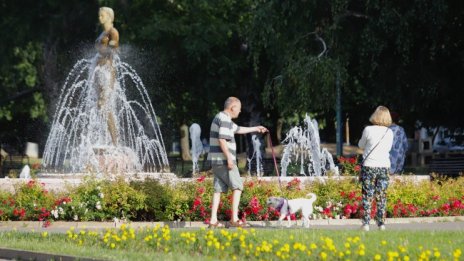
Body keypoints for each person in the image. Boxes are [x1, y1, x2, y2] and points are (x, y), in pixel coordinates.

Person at [208, 97, 268, 228]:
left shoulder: (223, 118)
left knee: (218, 190)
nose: (240, 112)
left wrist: (256, 128)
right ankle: (234, 219)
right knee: (238, 186)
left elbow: (239, 129)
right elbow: (222, 140)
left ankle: (213, 220)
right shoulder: (224, 119)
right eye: (239, 109)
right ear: (232, 107)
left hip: (216, 160)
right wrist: (229, 158)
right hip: (224, 160)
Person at [358, 106, 394, 231]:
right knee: (381, 195)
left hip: (369, 166)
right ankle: (381, 224)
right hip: (384, 166)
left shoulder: (368, 129)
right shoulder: (389, 132)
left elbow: (361, 145)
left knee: (367, 194)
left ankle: (366, 223)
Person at [95, 6, 119, 145]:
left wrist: (102, 49)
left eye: (102, 15)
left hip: (107, 71)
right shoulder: (102, 33)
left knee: (104, 104)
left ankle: (115, 142)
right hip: (99, 71)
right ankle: (106, 140)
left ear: (109, 17)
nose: (100, 18)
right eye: (99, 15)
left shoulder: (113, 31)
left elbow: (113, 50)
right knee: (99, 106)